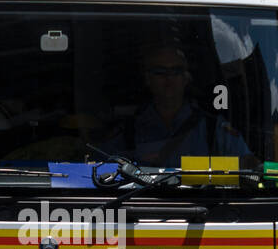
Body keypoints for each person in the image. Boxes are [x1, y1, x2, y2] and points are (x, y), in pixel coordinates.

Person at [105, 43, 251, 165]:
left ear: (186, 78)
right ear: (147, 79)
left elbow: (250, 166)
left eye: (176, 71)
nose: (169, 78)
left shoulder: (213, 128)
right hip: (140, 200)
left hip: (201, 200)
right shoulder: (128, 132)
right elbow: (97, 171)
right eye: (160, 71)